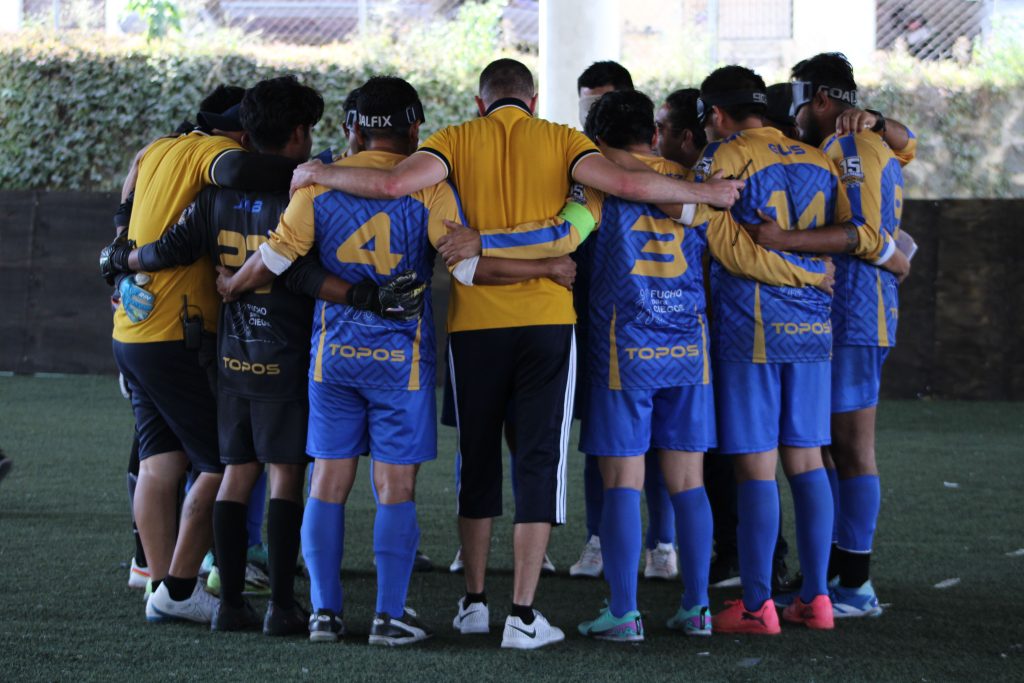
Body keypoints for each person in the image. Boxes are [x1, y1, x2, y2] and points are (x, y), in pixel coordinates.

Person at [288, 58, 743, 650]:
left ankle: (473, 602)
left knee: (475, 461)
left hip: (473, 325)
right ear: (533, 102)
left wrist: (319, 174)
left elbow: (394, 182)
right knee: (537, 465)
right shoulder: (563, 140)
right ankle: (524, 615)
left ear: (481, 104)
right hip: (550, 325)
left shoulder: (452, 140)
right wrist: (705, 190)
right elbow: (610, 198)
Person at [216, 76, 568, 646]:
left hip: (332, 358)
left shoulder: (314, 186)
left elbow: (276, 260)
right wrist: (545, 269)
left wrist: (232, 285)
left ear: (351, 130)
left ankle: (325, 615)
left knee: (327, 481)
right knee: (394, 487)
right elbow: (467, 267)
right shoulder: (432, 190)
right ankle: (389, 616)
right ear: (414, 130)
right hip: (400, 363)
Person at [569, 89, 833, 641]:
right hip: (689, 345)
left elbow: (570, 234)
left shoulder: (595, 182)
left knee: (623, 478)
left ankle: (623, 612)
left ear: (598, 138)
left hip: (625, 347)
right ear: (652, 131)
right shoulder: (695, 183)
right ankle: (696, 609)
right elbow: (727, 247)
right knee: (689, 481)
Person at [103, 76, 349, 635]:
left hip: (137, 331)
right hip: (185, 333)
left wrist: (120, 257)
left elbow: (135, 197)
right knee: (226, 464)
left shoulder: (159, 150)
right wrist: (319, 173)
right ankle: (184, 587)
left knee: (160, 459)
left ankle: (160, 579)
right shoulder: (221, 158)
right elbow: (243, 180)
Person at [691, 65, 890, 635]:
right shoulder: (819, 158)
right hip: (814, 332)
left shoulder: (723, 155)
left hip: (749, 329)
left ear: (718, 116)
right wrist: (809, 275)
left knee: (756, 466)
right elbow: (861, 234)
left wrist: (780, 264)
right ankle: (817, 599)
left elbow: (717, 240)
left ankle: (757, 607)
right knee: (805, 461)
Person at [746, 53, 916, 618]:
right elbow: (907, 145)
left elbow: (865, 232)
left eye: (797, 99)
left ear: (819, 98)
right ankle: (834, 575)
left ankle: (854, 584)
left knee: (849, 448)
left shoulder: (848, 146)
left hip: (857, 312)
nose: (791, 113)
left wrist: (781, 240)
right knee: (826, 447)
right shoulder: (851, 142)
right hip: (845, 312)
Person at [569, 62, 679, 584]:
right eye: (588, 107)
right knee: (603, 440)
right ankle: (598, 539)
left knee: (662, 446)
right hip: (603, 320)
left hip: (665, 326)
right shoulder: (581, 172)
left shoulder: (674, 174)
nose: (595, 119)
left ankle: (663, 544)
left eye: (603, 108)